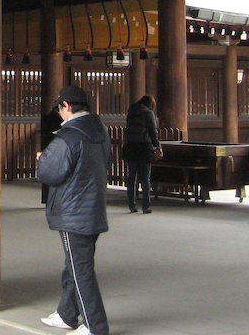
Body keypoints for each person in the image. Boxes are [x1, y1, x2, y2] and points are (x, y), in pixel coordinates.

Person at [37, 85, 111, 335]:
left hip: (73, 212)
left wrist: (42, 159)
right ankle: (66, 314)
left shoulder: (68, 136)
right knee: (75, 264)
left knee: (80, 271)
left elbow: (49, 173)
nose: (59, 114)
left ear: (66, 106)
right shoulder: (100, 131)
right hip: (93, 208)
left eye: (60, 108)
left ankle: (95, 326)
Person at [122, 94, 160, 214]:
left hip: (131, 147)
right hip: (144, 147)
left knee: (132, 177)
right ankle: (146, 205)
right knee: (145, 178)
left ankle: (132, 205)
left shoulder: (131, 112)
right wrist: (156, 145)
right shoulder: (148, 113)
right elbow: (153, 131)